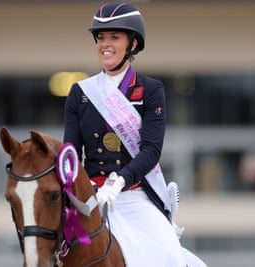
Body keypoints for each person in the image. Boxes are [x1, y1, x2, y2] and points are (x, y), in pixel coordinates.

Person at [63, 3, 206, 267]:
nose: (105, 44)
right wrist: (82, 187)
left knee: (172, 257)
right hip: (91, 197)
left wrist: (118, 181)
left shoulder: (151, 90)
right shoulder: (80, 93)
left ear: (133, 43)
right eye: (101, 37)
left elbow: (151, 150)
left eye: (114, 37)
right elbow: (70, 153)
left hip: (133, 196)